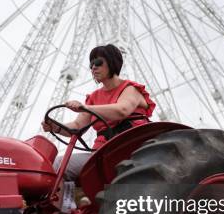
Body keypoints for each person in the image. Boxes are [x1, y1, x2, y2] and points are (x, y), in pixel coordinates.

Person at [41, 44, 156, 182]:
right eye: (91, 64)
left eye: (98, 62)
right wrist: (55, 127)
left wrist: (85, 107)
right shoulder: (93, 97)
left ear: (112, 62)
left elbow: (122, 110)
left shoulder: (130, 89)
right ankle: (62, 203)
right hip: (101, 154)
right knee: (59, 165)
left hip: (132, 149)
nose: (93, 67)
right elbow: (77, 126)